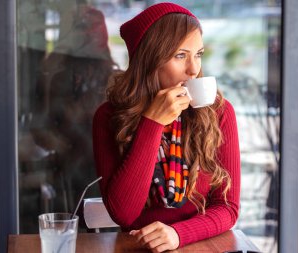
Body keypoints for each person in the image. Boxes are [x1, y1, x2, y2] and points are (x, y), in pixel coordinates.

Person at [93, 3, 240, 252]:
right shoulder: (109, 117)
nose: (194, 69)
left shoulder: (218, 112)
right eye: (180, 56)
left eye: (199, 54)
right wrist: (153, 123)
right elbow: (124, 215)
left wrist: (177, 234)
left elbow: (228, 207)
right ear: (150, 59)